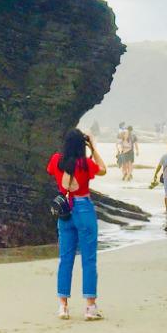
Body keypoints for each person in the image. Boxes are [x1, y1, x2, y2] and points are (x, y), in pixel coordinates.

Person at [48, 128, 106, 320]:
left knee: (65, 259)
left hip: (65, 209)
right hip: (83, 208)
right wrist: (93, 147)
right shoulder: (85, 163)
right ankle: (90, 307)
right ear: (82, 144)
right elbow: (103, 169)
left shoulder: (57, 159)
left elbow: (51, 171)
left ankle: (63, 306)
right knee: (88, 259)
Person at [152, 141, 167, 216]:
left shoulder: (164, 156)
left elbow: (159, 166)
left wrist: (155, 174)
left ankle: (166, 209)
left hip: (166, 176)